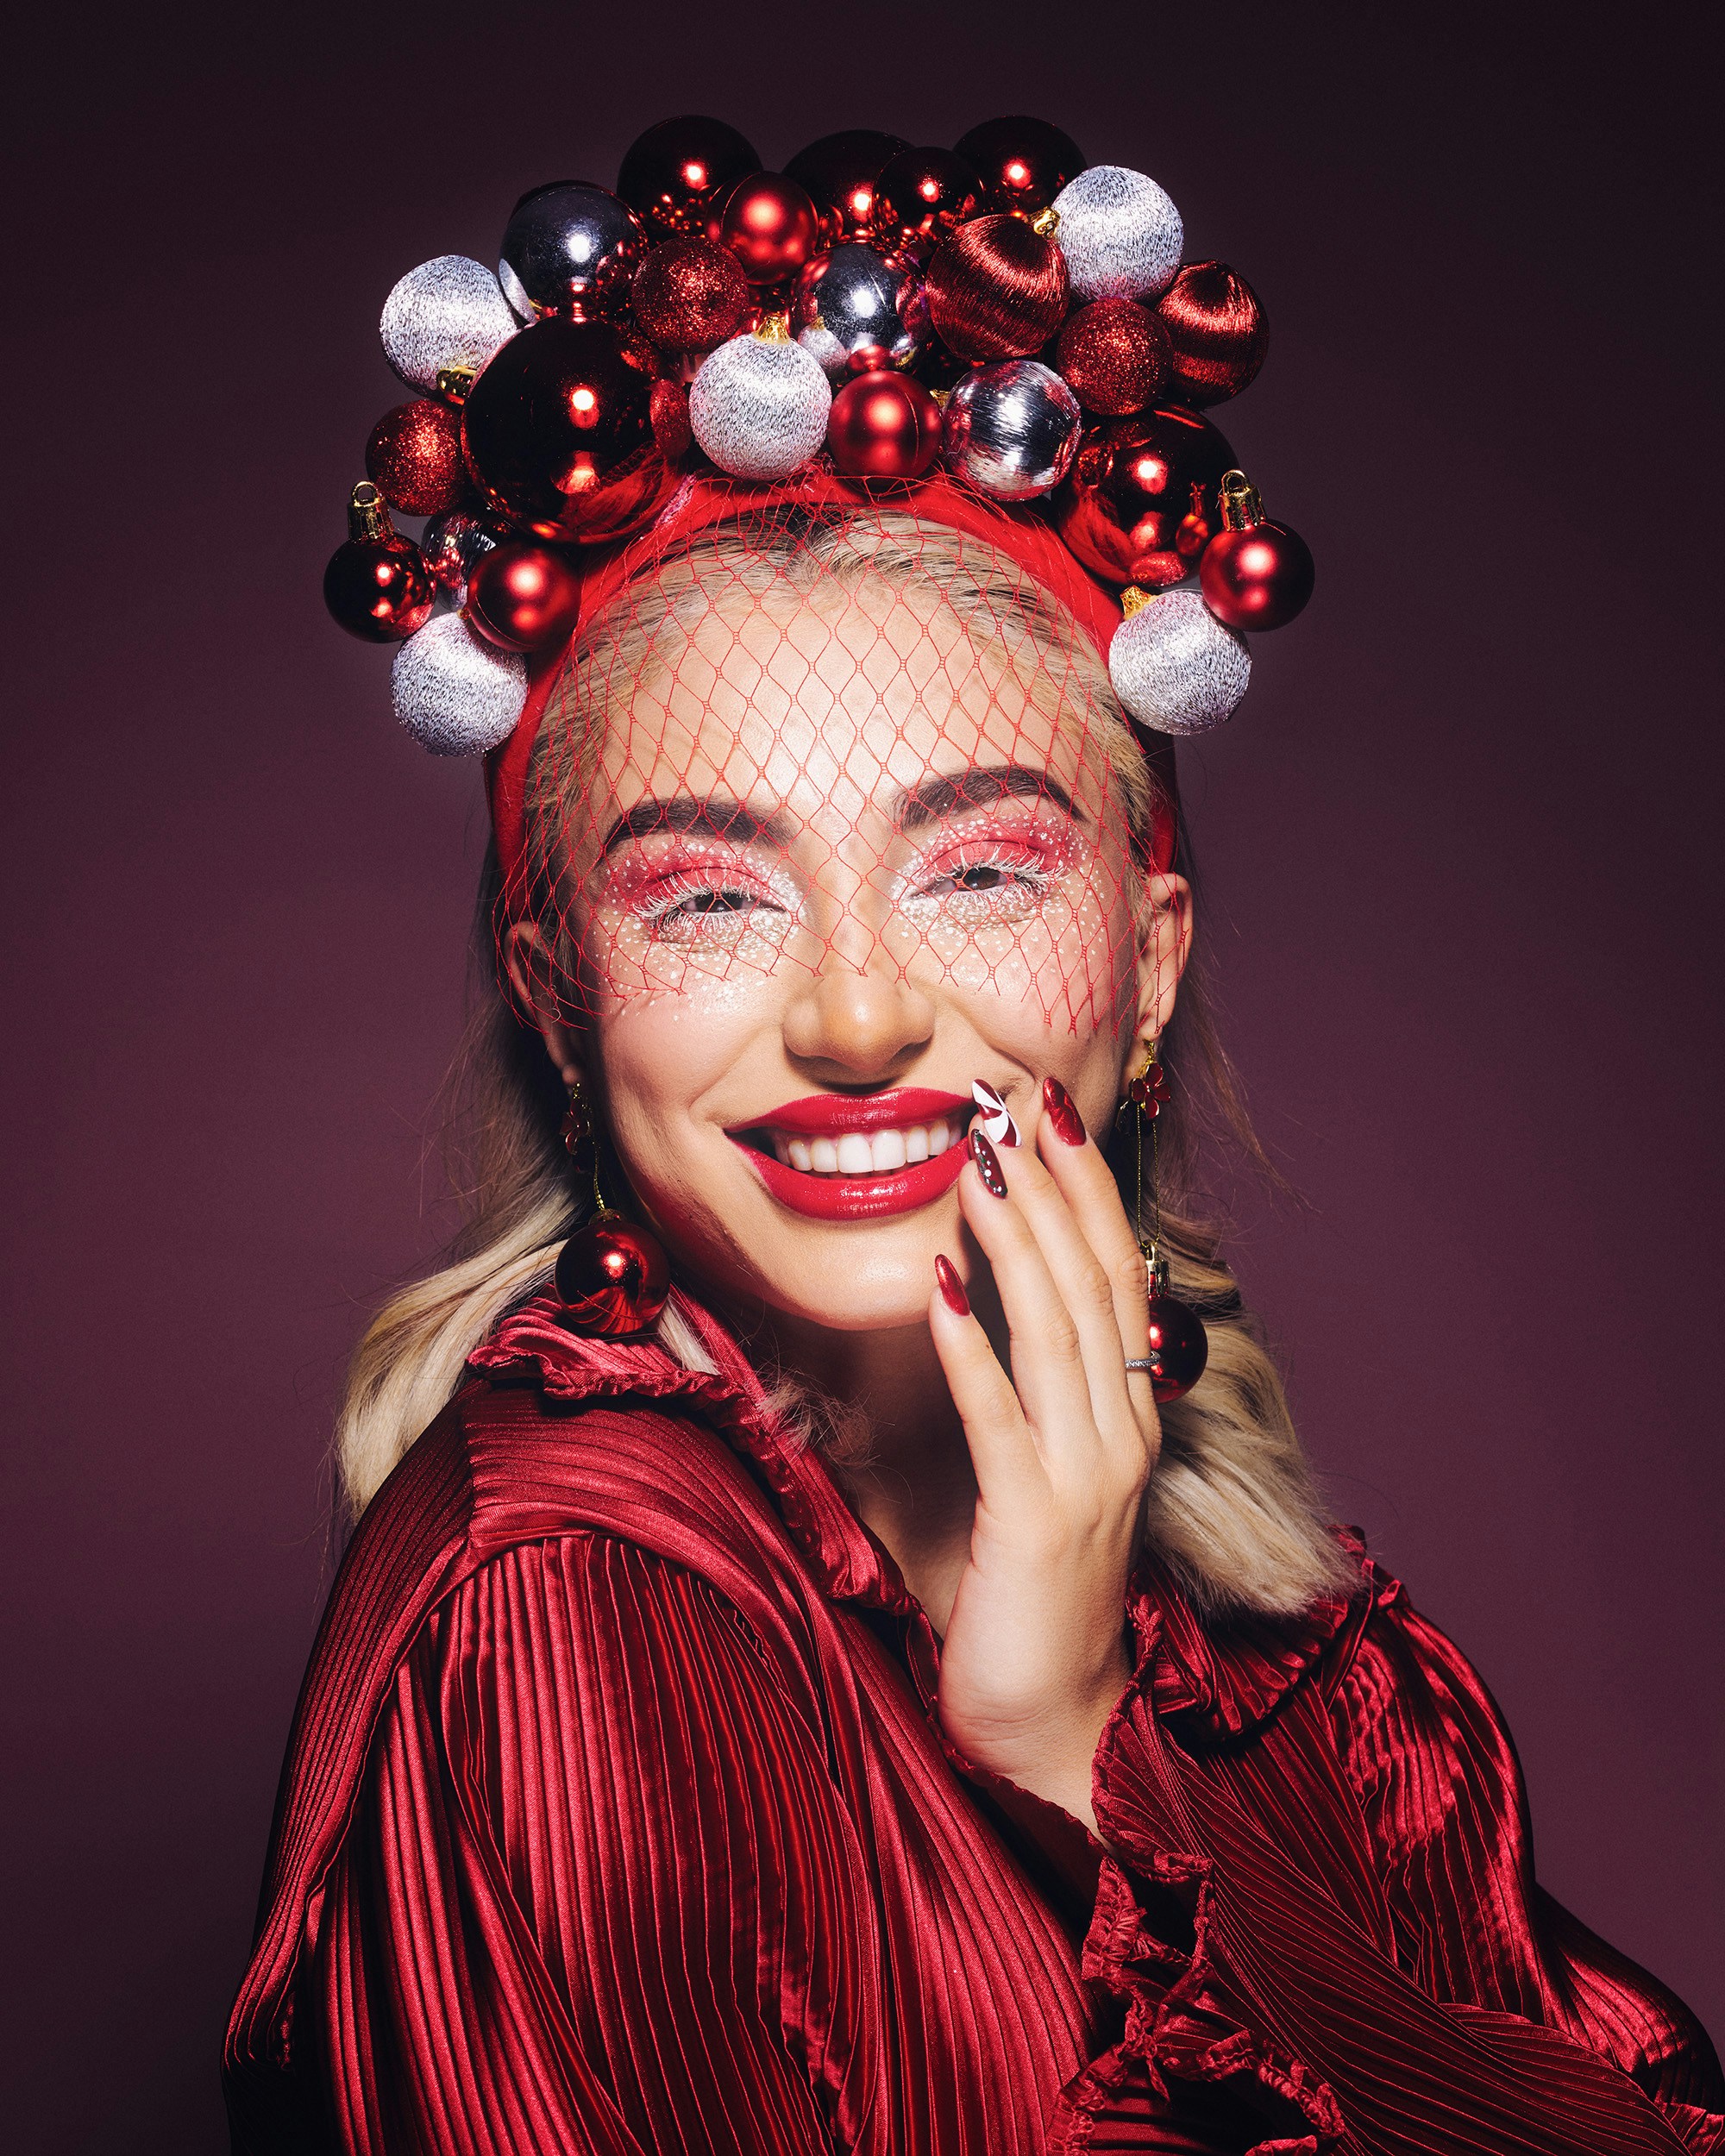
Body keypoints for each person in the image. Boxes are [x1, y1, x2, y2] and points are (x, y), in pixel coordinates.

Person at [227, 127, 1722, 2156]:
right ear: (558, 993)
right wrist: (1074, 1784)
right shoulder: (561, 1606)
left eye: (981, 870)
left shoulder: (1296, 1664)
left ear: (1151, 961)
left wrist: (1077, 1737)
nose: (855, 1017)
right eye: (707, 895)